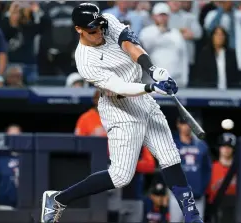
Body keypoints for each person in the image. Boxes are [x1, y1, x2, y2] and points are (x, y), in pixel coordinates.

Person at [40, 3, 204, 223]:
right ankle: (58, 199)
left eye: (99, 27)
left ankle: (192, 217)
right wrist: (152, 87)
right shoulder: (84, 60)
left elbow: (129, 44)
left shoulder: (107, 21)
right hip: (119, 107)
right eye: (92, 30)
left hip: (143, 98)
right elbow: (119, 87)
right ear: (78, 29)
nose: (98, 33)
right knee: (120, 176)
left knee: (170, 157)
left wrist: (153, 70)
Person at [169, 117, 211, 222]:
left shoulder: (202, 146)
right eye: (183, 123)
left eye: (188, 123)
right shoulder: (172, 145)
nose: (186, 126)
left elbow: (208, 170)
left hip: (197, 197)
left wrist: (201, 189)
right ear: (178, 124)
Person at [139, 3, 189, 88]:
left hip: (173, 81)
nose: (163, 18)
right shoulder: (146, 32)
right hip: (151, 81)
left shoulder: (176, 34)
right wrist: (159, 32)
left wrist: (185, 79)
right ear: (154, 17)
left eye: (165, 15)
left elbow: (183, 57)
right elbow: (143, 51)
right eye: (160, 15)